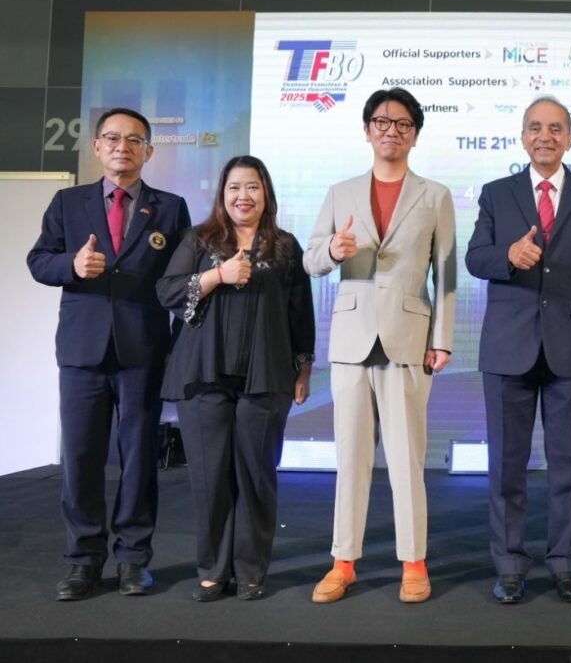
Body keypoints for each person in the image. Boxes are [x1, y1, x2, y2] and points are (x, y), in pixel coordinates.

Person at [28, 107, 191, 601]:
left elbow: (180, 281)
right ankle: (83, 560)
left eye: (134, 139)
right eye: (113, 138)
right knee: (81, 457)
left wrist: (178, 346)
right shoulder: (68, 201)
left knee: (139, 457)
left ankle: (133, 559)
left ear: (149, 151)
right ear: (97, 146)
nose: (123, 147)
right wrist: (73, 265)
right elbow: (39, 260)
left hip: (143, 349)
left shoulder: (170, 208)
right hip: (82, 350)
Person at [303, 87, 456, 605]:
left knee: (407, 460)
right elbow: (310, 260)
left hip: (409, 339)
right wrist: (332, 249)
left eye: (403, 124)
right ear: (367, 130)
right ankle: (343, 562)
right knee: (351, 458)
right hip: (351, 340)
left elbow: (446, 273)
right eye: (383, 122)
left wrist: (442, 340)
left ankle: (414, 562)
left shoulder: (435, 195)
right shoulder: (340, 192)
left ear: (415, 135)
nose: (392, 131)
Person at [465, 96, 571, 604]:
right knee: (506, 468)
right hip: (508, 348)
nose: (545, 136)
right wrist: (508, 255)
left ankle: (566, 564)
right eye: (535, 127)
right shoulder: (497, 194)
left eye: (555, 128)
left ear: (570, 138)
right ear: (522, 137)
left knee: (568, 468)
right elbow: (475, 258)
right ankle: (509, 565)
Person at [157, 155, 315, 601]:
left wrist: (303, 367)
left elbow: (300, 314)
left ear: (266, 194)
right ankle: (212, 569)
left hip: (266, 377)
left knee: (256, 477)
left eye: (252, 187)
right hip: (202, 374)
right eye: (234, 188)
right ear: (222, 195)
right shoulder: (199, 239)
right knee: (209, 478)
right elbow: (167, 290)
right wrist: (216, 275)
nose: (243, 196)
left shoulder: (285, 246)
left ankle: (251, 570)